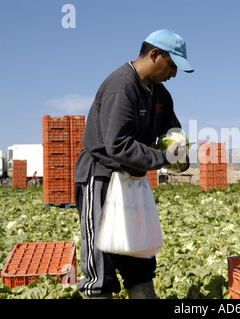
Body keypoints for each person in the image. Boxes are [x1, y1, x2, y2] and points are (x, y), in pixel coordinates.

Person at [74, 29, 194, 299]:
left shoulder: (160, 94)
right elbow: (118, 145)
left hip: (131, 180)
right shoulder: (121, 86)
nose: (173, 74)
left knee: (137, 254)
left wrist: (180, 153)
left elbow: (171, 130)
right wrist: (164, 158)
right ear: (155, 55)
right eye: (172, 65)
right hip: (102, 177)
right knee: (101, 259)